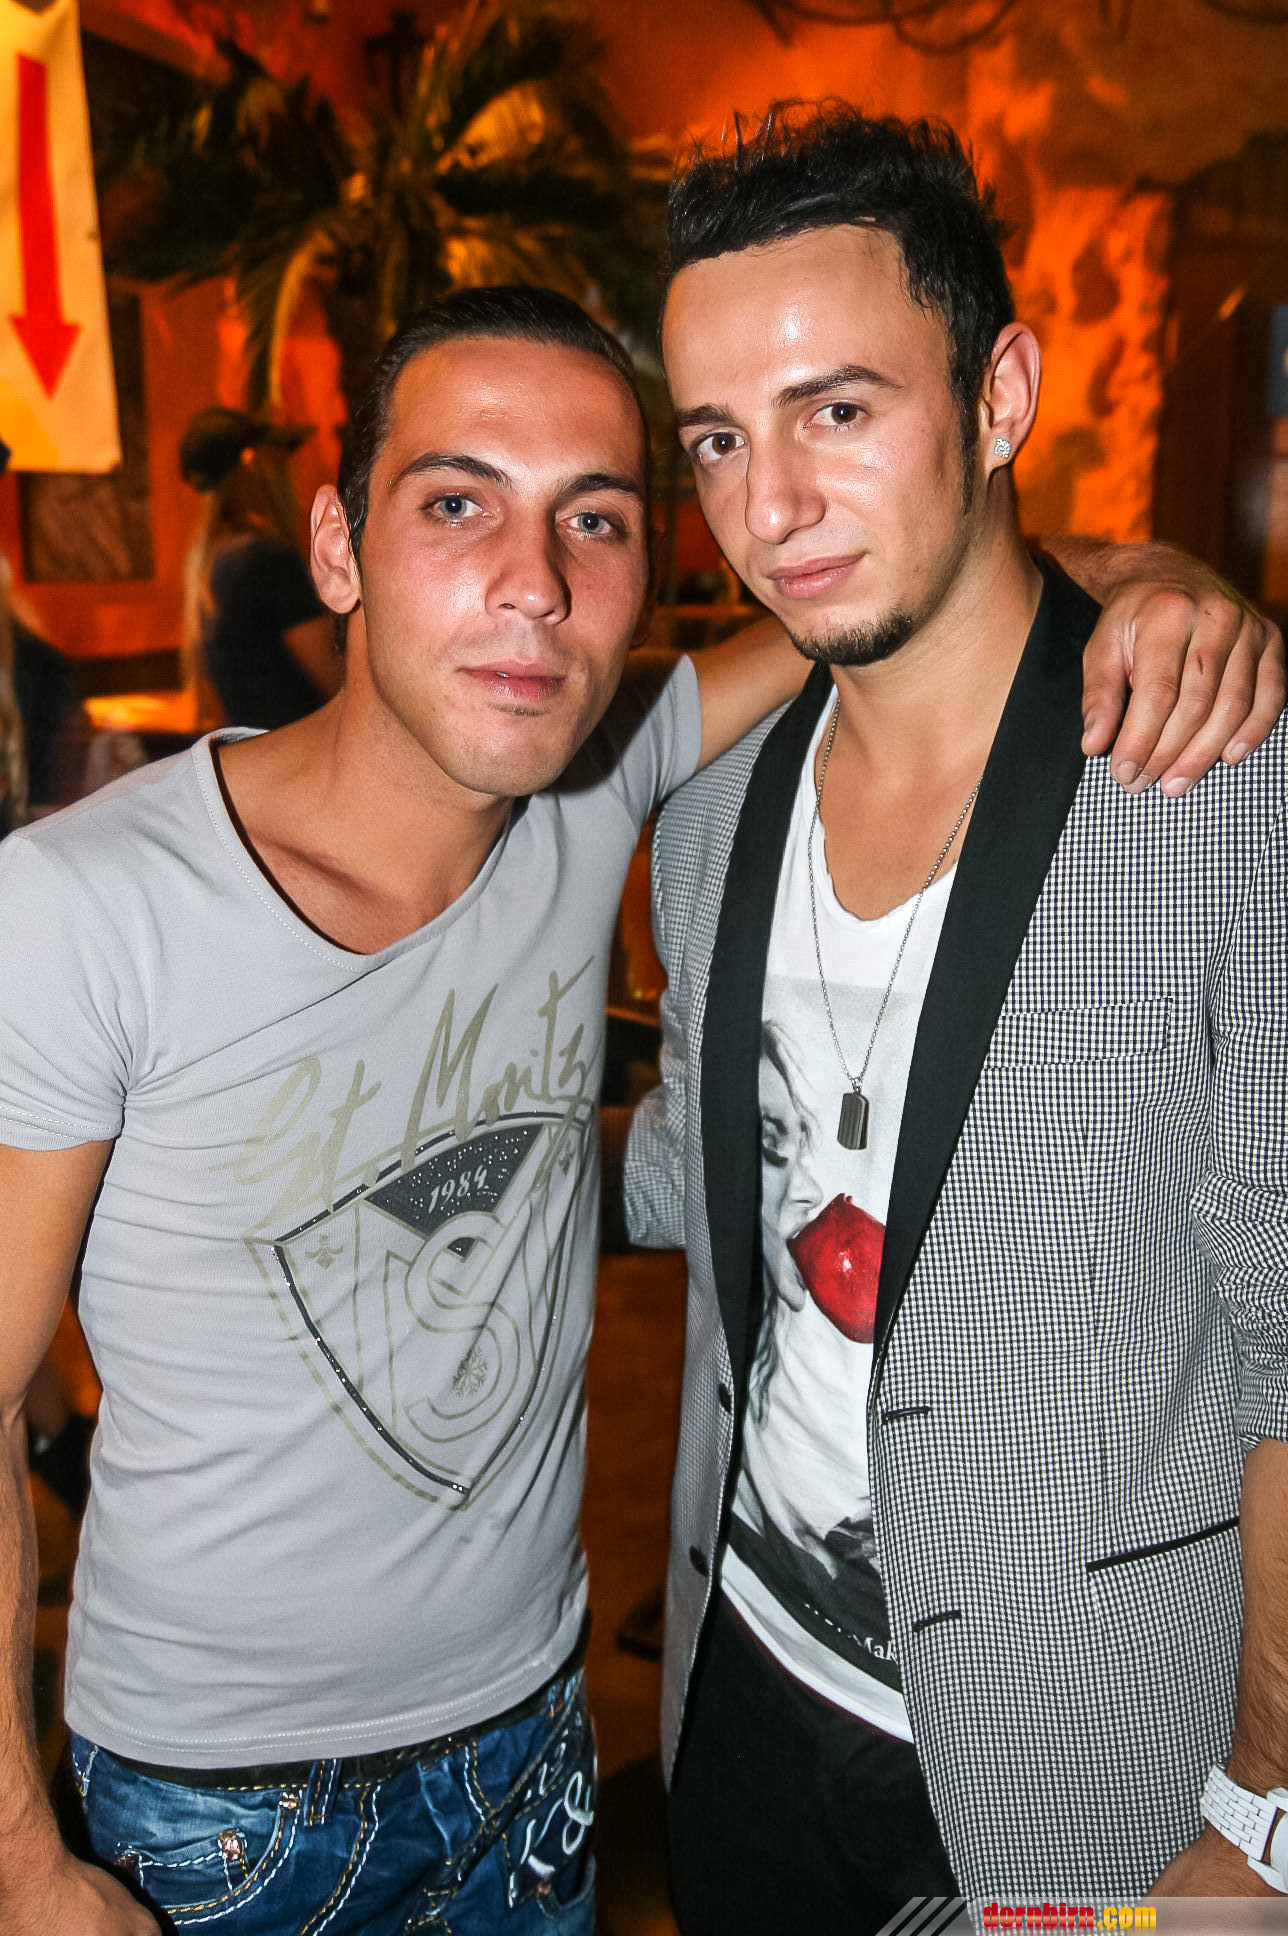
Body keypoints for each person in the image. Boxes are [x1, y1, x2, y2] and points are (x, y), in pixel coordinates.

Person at [0, 284, 1274, 1936]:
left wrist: (1154, 585)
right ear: (336, 546)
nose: (532, 585)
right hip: (217, 1808)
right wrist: (22, 1865)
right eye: (455, 504)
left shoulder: (591, 788)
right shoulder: (82, 906)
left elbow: (915, 591)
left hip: (537, 1744)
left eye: (591, 520)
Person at [623, 104, 1288, 1931]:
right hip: (743, 1702)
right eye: (718, 439)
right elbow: (692, 1182)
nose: (768, 509)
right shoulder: (707, 826)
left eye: (836, 410)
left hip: (1088, 1762)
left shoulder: (1223, 794)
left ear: (1000, 395)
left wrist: (1265, 1818)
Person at [180, 405, 342, 729]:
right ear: (252, 464)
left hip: (259, 752)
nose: (293, 474)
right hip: (298, 751)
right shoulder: (266, 559)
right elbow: (340, 684)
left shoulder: (212, 559)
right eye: (281, 460)